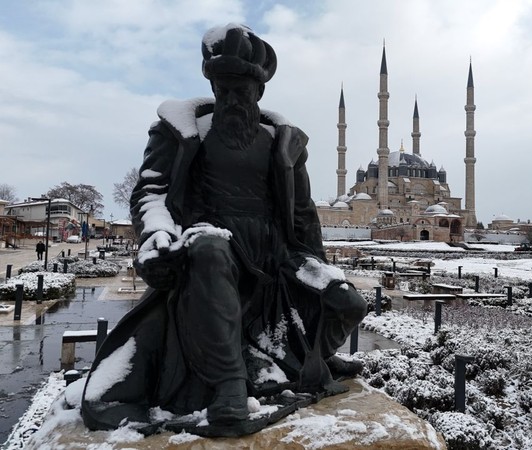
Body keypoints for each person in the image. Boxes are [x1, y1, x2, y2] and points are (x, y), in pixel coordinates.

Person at [81, 24, 367, 435]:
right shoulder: (181, 132)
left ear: (258, 92)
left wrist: (320, 270)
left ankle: (309, 360)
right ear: (213, 87)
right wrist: (155, 235)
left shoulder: (282, 143)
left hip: (276, 254)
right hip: (213, 245)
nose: (233, 100)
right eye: (224, 90)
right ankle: (229, 387)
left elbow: (303, 215)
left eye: (242, 91)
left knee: (350, 303)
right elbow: (151, 192)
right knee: (210, 250)